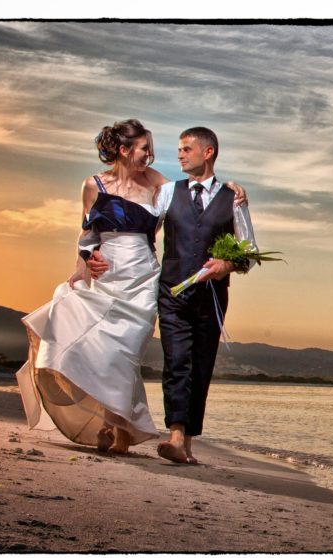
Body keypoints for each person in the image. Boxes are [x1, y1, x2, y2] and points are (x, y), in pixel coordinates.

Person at [17, 120, 247, 455]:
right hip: (106, 275)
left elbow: (198, 196)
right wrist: (85, 263)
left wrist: (229, 187)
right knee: (97, 348)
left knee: (124, 356)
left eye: (152, 150)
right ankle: (111, 424)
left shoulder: (157, 185)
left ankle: (121, 431)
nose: (151, 157)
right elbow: (86, 234)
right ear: (124, 150)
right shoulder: (93, 185)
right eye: (144, 149)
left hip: (143, 278)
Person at [88, 126, 257, 464]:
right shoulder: (167, 193)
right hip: (171, 294)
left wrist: (226, 264)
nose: (178, 154)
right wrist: (99, 251)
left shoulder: (232, 198)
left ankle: (188, 442)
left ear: (207, 153)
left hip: (211, 297)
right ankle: (176, 437)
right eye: (178, 149)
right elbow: (136, 225)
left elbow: (250, 252)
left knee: (201, 366)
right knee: (177, 362)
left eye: (185, 149)